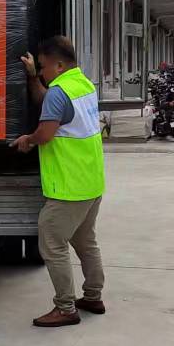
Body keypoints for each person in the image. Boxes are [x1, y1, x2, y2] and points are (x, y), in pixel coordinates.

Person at [11, 35, 105, 328]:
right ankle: (93, 296)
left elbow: (46, 133)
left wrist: (28, 140)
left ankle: (65, 308)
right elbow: (52, 105)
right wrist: (32, 78)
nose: (41, 71)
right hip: (91, 181)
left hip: (69, 186)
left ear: (59, 65)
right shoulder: (83, 85)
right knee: (86, 242)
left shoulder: (59, 92)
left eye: (42, 66)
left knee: (52, 243)